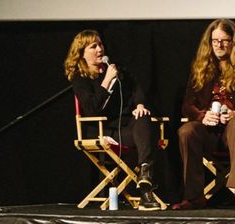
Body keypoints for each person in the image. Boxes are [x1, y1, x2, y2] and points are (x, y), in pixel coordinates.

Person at [64, 29, 163, 210]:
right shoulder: (80, 79)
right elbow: (91, 109)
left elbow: (136, 89)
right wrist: (106, 81)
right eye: (93, 46)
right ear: (82, 54)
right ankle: (146, 193)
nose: (99, 49)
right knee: (144, 135)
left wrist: (140, 104)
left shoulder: (118, 71)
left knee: (144, 119)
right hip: (102, 130)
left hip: (125, 129)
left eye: (100, 44)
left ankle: (145, 175)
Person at [174, 19, 235, 212]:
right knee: (187, 131)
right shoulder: (201, 66)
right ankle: (193, 196)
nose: (219, 45)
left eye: (224, 40)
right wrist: (202, 116)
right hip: (208, 130)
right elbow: (187, 105)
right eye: (215, 41)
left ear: (234, 42)